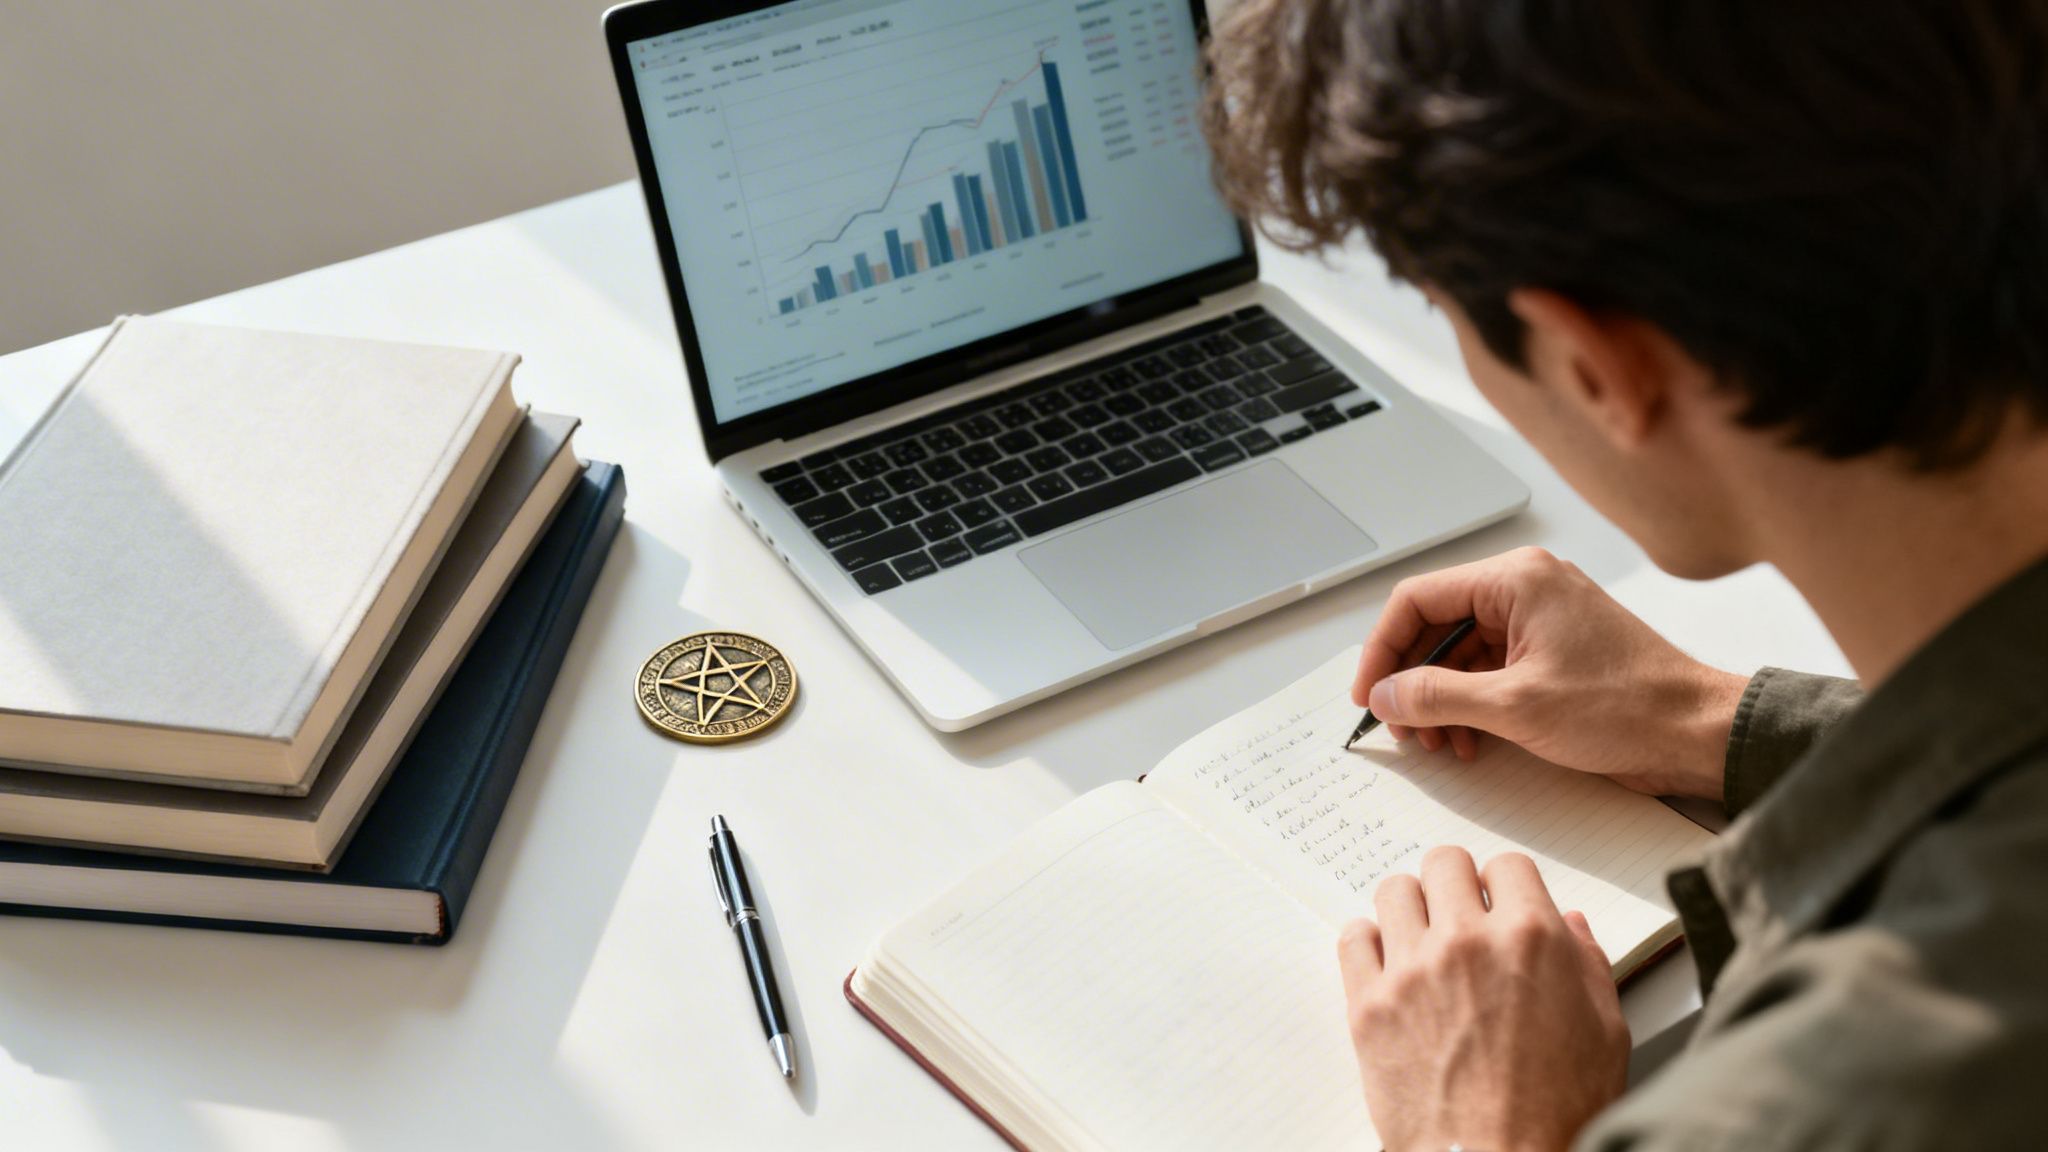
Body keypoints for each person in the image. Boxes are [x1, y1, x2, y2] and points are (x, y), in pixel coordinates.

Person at [1201, 2, 2048, 1149]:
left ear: (1592, 367)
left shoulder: (1832, 1093)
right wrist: (1710, 719)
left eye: (1439, 309)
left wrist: (1486, 1129)